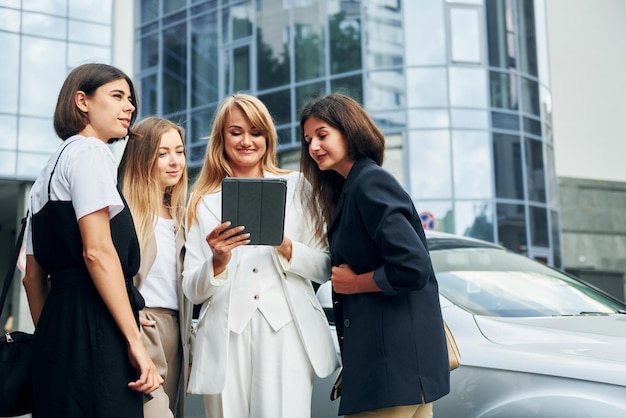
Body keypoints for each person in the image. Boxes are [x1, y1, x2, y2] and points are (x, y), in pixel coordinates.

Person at [182, 93, 339, 418]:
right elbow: (191, 289)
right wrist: (217, 261)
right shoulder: (202, 200)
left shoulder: (297, 187)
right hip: (226, 338)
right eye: (235, 131)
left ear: (268, 137)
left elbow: (326, 267)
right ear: (221, 138)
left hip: (287, 331)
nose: (246, 140)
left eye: (256, 131)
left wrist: (287, 247)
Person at [22, 63, 163, 418]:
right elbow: (98, 252)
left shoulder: (46, 173)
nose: (129, 106)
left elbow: (31, 277)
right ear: (82, 101)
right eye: (117, 96)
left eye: (130, 99)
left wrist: (57, 341)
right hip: (97, 323)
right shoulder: (91, 152)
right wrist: (134, 342)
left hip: (55, 328)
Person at [299, 93, 450, 418]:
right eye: (308, 139)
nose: (313, 147)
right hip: (402, 372)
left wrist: (356, 283)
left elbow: (412, 265)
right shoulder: (355, 187)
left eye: (322, 135)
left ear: (349, 131)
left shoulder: (369, 184)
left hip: (392, 372)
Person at [118, 116, 192, 418]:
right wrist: (129, 315)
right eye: (163, 153)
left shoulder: (183, 217)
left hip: (177, 330)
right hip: (141, 326)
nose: (174, 161)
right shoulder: (123, 210)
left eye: (179, 151)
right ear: (142, 157)